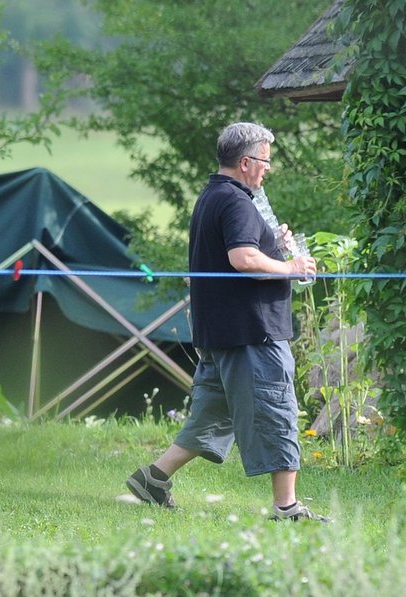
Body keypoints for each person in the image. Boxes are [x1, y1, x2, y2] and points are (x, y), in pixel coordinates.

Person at [125, 122, 328, 522]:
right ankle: (287, 508)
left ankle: (153, 479)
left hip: (220, 332)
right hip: (252, 332)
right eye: (265, 160)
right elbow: (243, 259)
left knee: (212, 415)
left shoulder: (213, 196)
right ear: (246, 162)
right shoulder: (236, 202)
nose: (268, 168)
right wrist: (290, 266)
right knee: (278, 411)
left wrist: (273, 242)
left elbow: (242, 249)